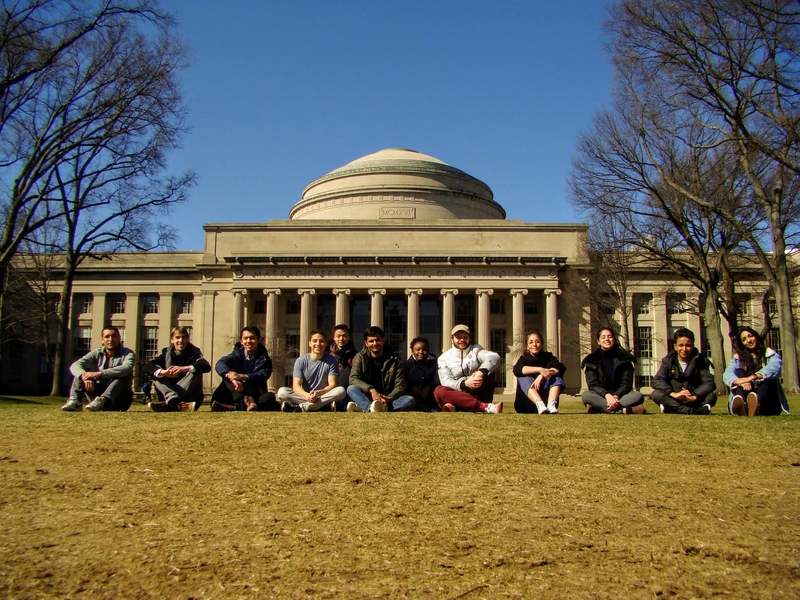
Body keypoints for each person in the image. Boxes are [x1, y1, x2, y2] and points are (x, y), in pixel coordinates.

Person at [61, 326, 135, 412]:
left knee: (122, 378)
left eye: (114, 336)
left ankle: (103, 400)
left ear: (119, 338)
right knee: (81, 374)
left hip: (119, 400)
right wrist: (85, 377)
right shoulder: (97, 352)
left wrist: (100, 373)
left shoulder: (128, 353)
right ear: (102, 339)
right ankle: (75, 401)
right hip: (96, 397)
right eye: (107, 337)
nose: (110, 339)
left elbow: (127, 368)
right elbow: (76, 365)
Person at [434, 324, 503, 413]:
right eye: (458, 337)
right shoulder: (443, 358)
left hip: (477, 389)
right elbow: (446, 382)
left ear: (469, 338)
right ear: (452, 339)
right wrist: (465, 384)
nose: (462, 340)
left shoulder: (476, 350)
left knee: (489, 369)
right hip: (458, 391)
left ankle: (457, 405)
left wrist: (480, 372)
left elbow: (494, 357)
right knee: (439, 391)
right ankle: (482, 406)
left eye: (465, 337)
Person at [723, 326, 789, 416]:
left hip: (767, 401)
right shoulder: (738, 358)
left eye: (750, 336)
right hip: (747, 392)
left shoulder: (769, 354)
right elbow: (727, 373)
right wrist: (738, 381)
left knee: (768, 379)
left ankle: (755, 405)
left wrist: (750, 378)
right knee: (738, 372)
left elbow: (774, 367)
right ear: (741, 343)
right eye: (744, 339)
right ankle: (743, 405)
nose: (748, 340)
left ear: (756, 336)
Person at [347, 326, 415, 412]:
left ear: (383, 340)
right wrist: (371, 390)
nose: (375, 343)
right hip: (367, 396)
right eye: (371, 341)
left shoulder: (395, 359)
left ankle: (369, 407)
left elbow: (400, 385)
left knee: (409, 400)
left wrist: (389, 398)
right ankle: (370, 408)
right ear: (366, 343)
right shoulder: (360, 357)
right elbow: (353, 379)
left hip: (387, 398)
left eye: (377, 340)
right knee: (351, 389)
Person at [143, 326, 211, 412]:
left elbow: (206, 366)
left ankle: (170, 404)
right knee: (156, 372)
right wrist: (164, 372)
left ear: (187, 339)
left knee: (195, 369)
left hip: (189, 397)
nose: (180, 341)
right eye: (177, 337)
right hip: (170, 391)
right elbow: (147, 366)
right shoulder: (166, 354)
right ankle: (177, 404)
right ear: (172, 340)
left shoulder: (195, 353)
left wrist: (184, 368)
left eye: (183, 337)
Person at [211, 326, 278, 411]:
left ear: (259, 340)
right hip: (234, 392)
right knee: (227, 378)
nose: (248, 341)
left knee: (269, 397)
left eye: (252, 338)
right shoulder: (236, 355)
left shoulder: (265, 359)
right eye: (245, 338)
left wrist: (242, 376)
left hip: (254, 393)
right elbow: (220, 363)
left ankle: (234, 407)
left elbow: (263, 375)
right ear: (241, 341)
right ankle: (246, 401)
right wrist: (233, 379)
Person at [650, 328, 716, 415]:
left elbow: (709, 383)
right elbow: (657, 380)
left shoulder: (701, 361)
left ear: (693, 346)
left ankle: (671, 409)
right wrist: (673, 393)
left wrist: (694, 396)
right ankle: (692, 411)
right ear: (675, 346)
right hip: (674, 399)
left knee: (711, 396)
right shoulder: (668, 361)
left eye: (688, 345)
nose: (684, 349)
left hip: (693, 398)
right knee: (656, 394)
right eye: (681, 345)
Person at [277, 330, 346, 412]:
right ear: (309, 343)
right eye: (314, 341)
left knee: (341, 391)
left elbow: (332, 384)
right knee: (282, 392)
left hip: (323, 395)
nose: (318, 344)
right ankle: (322, 406)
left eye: (321, 341)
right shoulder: (301, 361)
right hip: (305, 396)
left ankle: (301, 407)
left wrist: (318, 393)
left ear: (326, 343)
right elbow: (296, 386)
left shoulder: (331, 360)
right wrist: (307, 396)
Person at [581, 327, 645, 414]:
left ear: (614, 339)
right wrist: (607, 395)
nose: (607, 339)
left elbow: (626, 384)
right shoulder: (591, 360)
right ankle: (623, 410)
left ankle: (598, 408)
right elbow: (593, 385)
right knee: (586, 395)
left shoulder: (625, 359)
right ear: (598, 341)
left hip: (620, 396)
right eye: (603, 337)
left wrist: (615, 396)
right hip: (601, 396)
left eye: (610, 337)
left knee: (638, 396)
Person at [513, 330, 565, 414]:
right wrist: (540, 369)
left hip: (547, 403)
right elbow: (517, 370)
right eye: (531, 342)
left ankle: (551, 404)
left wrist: (542, 375)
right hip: (526, 405)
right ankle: (539, 404)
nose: (534, 345)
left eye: (537, 342)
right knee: (523, 378)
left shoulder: (549, 357)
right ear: (527, 345)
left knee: (556, 377)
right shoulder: (524, 359)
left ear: (542, 344)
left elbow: (560, 367)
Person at [406, 336, 439, 412]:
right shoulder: (406, 365)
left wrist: (428, 387)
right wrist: (413, 387)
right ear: (412, 351)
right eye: (417, 349)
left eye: (424, 349)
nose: (421, 352)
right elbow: (405, 380)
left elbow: (437, 379)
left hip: (430, 393)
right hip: (412, 395)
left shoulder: (434, 364)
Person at [329, 323, 357, 410]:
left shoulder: (356, 355)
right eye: (338, 336)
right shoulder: (328, 356)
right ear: (334, 338)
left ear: (349, 337)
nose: (341, 339)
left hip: (349, 386)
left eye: (344, 336)